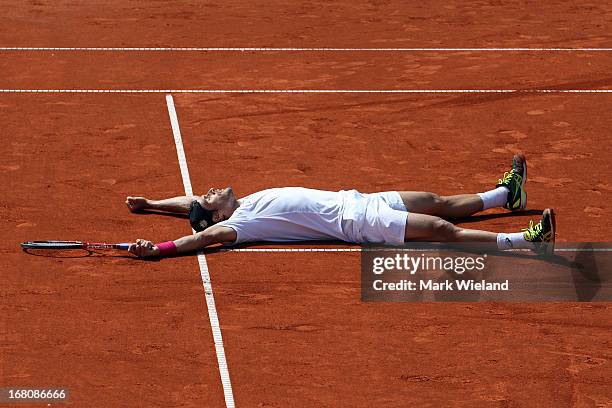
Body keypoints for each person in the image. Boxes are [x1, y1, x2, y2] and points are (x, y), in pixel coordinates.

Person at [125, 154, 555, 258]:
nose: (212, 188)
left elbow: (190, 207)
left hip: (361, 198)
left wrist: (149, 204)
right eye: (211, 195)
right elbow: (203, 234)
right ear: (218, 214)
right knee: (443, 230)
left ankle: (506, 196)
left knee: (439, 201)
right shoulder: (240, 225)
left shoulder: (242, 203)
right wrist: (160, 248)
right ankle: (525, 241)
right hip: (360, 222)